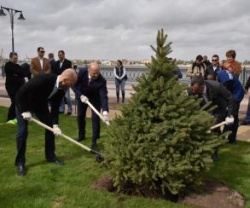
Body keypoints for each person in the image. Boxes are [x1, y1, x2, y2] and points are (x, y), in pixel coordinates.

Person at [15, 68, 77, 176]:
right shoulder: (43, 79)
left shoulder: (62, 89)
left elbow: (55, 106)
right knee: (22, 132)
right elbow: (22, 92)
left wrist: (55, 125)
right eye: (70, 84)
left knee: (50, 127)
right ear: (64, 80)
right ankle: (20, 162)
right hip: (22, 102)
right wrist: (25, 110)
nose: (70, 87)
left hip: (39, 105)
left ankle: (50, 156)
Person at [187, 76, 235, 160]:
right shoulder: (192, 90)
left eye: (196, 90)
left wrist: (230, 115)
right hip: (203, 109)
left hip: (218, 109)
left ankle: (214, 152)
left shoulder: (216, 86)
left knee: (214, 129)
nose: (194, 91)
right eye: (193, 89)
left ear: (202, 87)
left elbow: (230, 98)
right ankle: (200, 151)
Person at [74, 62, 109, 150]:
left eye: (97, 72)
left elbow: (103, 96)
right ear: (89, 70)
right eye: (94, 73)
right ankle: (81, 135)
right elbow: (75, 85)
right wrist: (80, 95)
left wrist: (105, 112)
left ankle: (94, 140)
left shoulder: (102, 80)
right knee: (80, 117)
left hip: (95, 100)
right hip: (82, 97)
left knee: (95, 119)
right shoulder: (82, 72)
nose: (96, 75)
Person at [217, 69, 245, 143]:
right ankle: (232, 139)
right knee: (234, 117)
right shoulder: (221, 72)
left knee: (230, 117)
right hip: (237, 92)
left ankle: (222, 138)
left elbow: (225, 94)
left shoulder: (225, 80)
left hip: (236, 95)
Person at [4, 52, 29, 124]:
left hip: (18, 86)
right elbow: (17, 72)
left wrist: (17, 74)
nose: (16, 60)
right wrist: (18, 74)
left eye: (17, 58)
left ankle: (15, 116)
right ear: (10, 58)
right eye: (14, 58)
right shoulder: (7, 65)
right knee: (14, 101)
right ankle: (10, 118)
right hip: (11, 87)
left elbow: (23, 73)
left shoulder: (17, 65)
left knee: (17, 101)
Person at [55, 50, 73, 115]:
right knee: (61, 97)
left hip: (66, 82)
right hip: (59, 82)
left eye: (61, 54)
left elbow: (70, 72)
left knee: (67, 96)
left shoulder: (68, 62)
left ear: (64, 55)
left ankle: (70, 109)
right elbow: (55, 72)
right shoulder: (56, 63)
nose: (59, 56)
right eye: (58, 55)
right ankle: (61, 109)